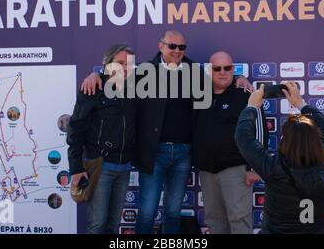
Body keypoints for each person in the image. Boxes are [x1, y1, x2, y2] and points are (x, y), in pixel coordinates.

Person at [81, 30, 254, 234]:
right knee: (147, 213)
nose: (177, 51)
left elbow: (220, 79)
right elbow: (116, 79)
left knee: (173, 212)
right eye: (172, 46)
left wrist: (239, 78)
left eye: (182, 47)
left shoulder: (195, 71)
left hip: (183, 153)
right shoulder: (144, 71)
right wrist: (95, 75)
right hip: (154, 153)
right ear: (160, 46)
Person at [235, 82, 324, 233]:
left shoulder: (272, 167)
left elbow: (243, 136)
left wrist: (252, 106)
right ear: (315, 141)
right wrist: (300, 104)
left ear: (285, 142)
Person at [192, 51, 267, 234]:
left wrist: (255, 167)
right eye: (217, 68)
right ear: (210, 70)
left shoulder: (245, 95)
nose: (222, 72)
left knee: (239, 220)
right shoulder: (199, 94)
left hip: (236, 170)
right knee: (215, 222)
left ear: (233, 69)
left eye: (227, 68)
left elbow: (260, 130)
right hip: (207, 171)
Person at [67, 44, 136, 234]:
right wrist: (76, 167)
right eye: (120, 63)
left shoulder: (135, 89)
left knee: (114, 226)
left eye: (129, 64)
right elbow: (75, 128)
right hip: (100, 166)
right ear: (107, 64)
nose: (124, 68)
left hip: (124, 168)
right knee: (97, 225)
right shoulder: (93, 88)